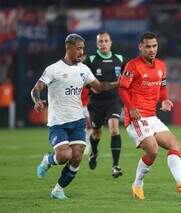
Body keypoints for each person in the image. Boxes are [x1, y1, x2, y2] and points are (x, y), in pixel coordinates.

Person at [31, 33, 118, 200]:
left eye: (83, 49)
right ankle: (48, 160)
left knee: (77, 157)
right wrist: (37, 101)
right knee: (64, 156)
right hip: (58, 123)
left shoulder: (83, 70)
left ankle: (58, 190)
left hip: (77, 121)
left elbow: (99, 86)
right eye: (78, 48)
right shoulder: (53, 69)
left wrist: (118, 83)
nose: (81, 52)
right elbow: (36, 89)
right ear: (68, 48)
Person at [118, 32, 181, 200]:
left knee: (175, 144)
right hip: (137, 117)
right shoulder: (133, 66)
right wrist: (131, 108)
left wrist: (165, 99)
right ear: (140, 47)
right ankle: (137, 184)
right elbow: (122, 89)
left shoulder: (161, 65)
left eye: (154, 46)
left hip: (152, 116)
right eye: (148, 46)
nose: (152, 49)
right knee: (153, 150)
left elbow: (162, 86)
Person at [83, 32, 125, 178]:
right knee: (96, 133)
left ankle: (115, 166)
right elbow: (81, 76)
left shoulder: (119, 59)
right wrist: (90, 87)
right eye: (100, 42)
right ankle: (94, 152)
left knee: (114, 129)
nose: (103, 44)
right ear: (97, 44)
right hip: (96, 102)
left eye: (106, 41)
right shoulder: (91, 59)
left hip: (113, 100)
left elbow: (127, 77)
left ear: (111, 43)